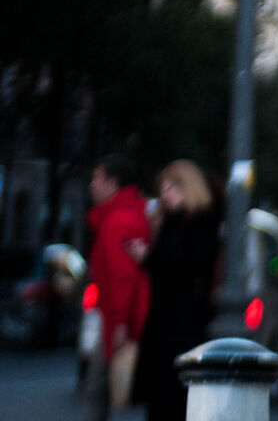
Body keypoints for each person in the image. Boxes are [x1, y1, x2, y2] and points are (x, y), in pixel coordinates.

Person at [130, 160, 220, 421]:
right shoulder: (171, 221)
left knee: (175, 395)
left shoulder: (200, 222)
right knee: (162, 396)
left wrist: (148, 259)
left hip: (182, 321)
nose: (166, 194)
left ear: (188, 188)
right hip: (165, 320)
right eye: (164, 188)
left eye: (172, 188)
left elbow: (186, 267)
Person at [84, 153, 152, 419]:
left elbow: (121, 276)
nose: (92, 184)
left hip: (117, 318)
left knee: (97, 390)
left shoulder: (115, 220)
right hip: (121, 316)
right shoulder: (130, 214)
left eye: (97, 177)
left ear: (113, 183)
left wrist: (120, 323)